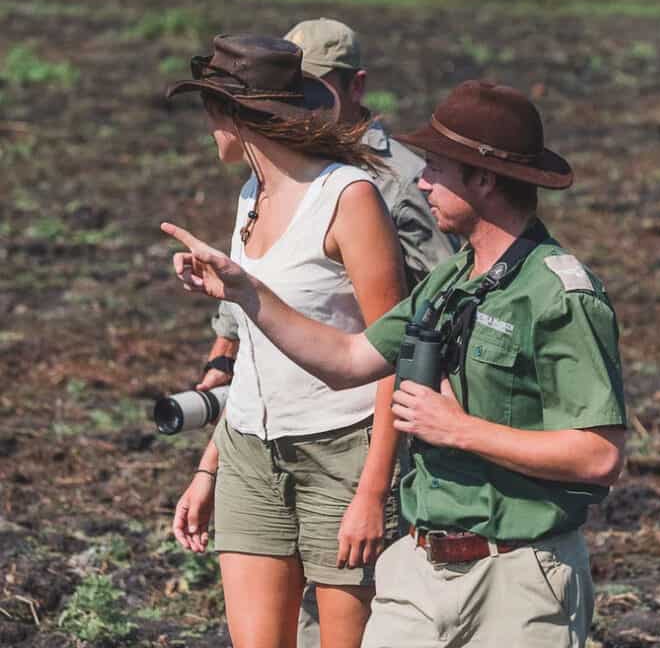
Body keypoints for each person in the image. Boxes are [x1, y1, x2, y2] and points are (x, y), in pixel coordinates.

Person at [163, 78, 627, 648]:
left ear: (483, 180)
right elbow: (349, 359)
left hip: (518, 574)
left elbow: (600, 455)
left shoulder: (559, 293)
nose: (421, 180)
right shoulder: (449, 279)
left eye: (436, 168)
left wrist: (461, 431)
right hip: (420, 568)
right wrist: (246, 293)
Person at [165, 34, 407, 648]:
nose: (207, 125)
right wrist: (209, 468)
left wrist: (374, 491)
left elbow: (393, 354)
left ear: (238, 116)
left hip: (342, 453)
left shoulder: (348, 199)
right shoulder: (252, 192)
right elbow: (257, 346)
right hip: (250, 449)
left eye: (210, 109)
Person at [198, 17, 455, 395]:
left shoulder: (399, 180)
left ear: (358, 85)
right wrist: (225, 349)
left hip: (352, 393)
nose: (296, 95)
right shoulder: (273, 166)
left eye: (313, 82)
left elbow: (438, 294)